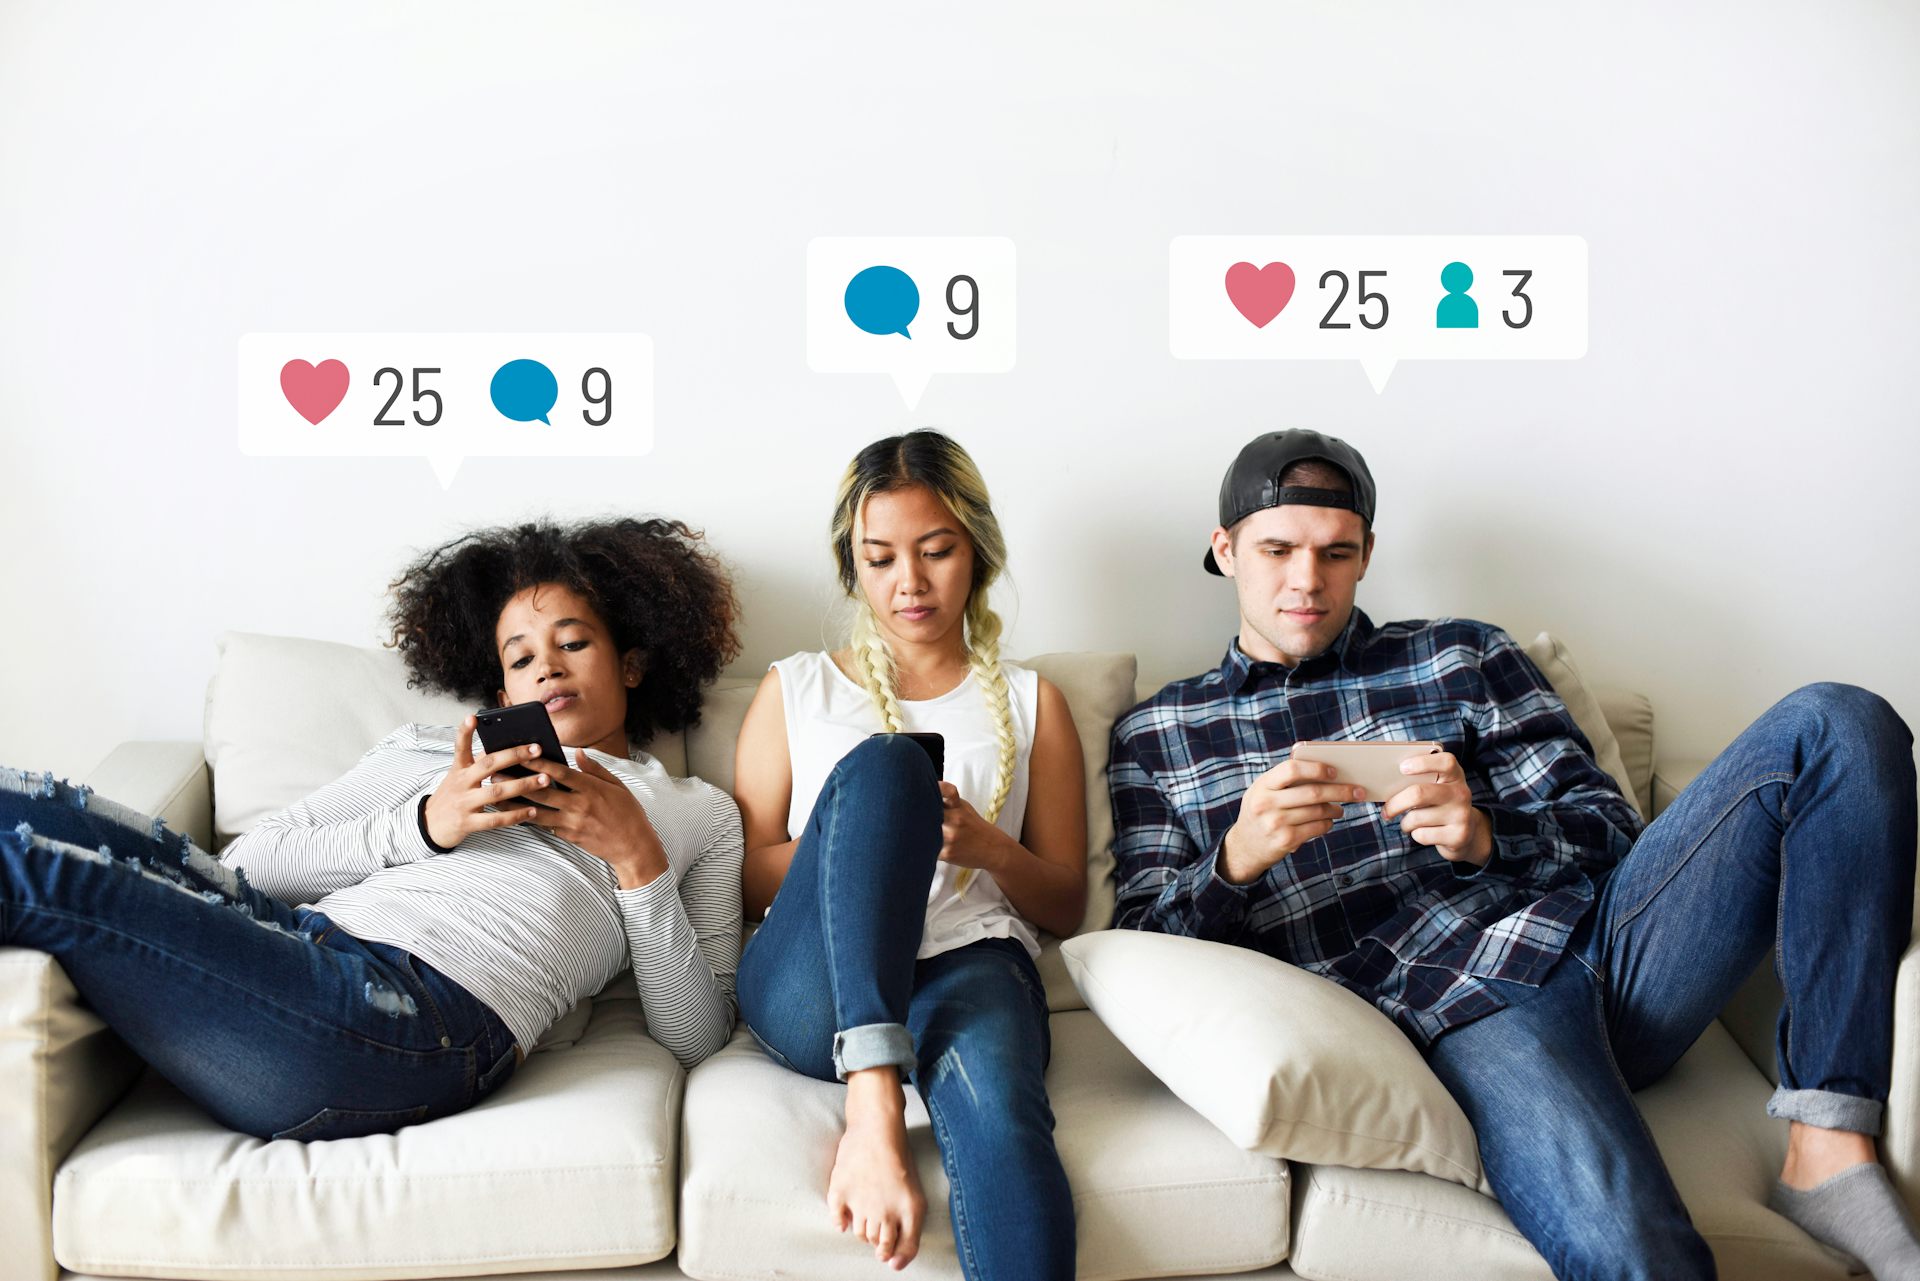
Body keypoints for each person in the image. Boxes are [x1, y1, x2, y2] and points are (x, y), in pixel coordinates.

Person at [1109, 429, 1920, 1280]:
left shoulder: (1462, 654)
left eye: (1335, 553)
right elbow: (1143, 947)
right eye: (1277, 550)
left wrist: (1484, 832)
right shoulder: (1158, 734)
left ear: (1367, 555)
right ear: (1226, 550)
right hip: (1461, 1005)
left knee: (1837, 720)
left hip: (1615, 943)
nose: (1307, 580)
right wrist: (1237, 858)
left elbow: (1612, 829)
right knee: (1639, 1255)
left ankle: (1828, 1147)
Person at [0, 516, 745, 1142]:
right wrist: (427, 823)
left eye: (572, 643)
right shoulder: (428, 752)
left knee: (45, 874)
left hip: (416, 1022)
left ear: (632, 664)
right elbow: (246, 867)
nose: (546, 668)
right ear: (503, 693)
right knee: (37, 803)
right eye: (522, 658)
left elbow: (699, 1036)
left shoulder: (697, 812)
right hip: (292, 941)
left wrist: (637, 860)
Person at [731, 429, 1085, 1277]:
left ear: (977, 551)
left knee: (1003, 1116)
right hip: (817, 981)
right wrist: (867, 838)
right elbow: (747, 879)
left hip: (970, 959)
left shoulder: (1035, 703)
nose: (911, 583)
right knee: (890, 766)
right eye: (881, 557)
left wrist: (989, 848)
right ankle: (874, 1095)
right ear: (853, 566)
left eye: (936, 550)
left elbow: (1067, 902)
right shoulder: (797, 687)